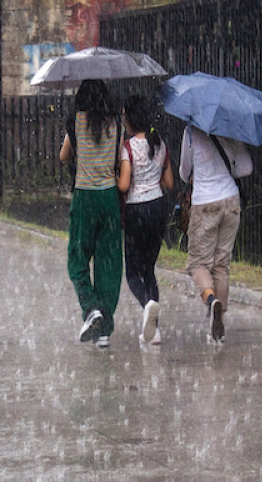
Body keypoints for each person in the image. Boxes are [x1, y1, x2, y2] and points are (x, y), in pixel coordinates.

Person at [59, 79, 123, 349]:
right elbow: (119, 160)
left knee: (78, 256)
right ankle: (104, 329)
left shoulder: (75, 122)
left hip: (85, 196)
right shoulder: (116, 122)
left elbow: (64, 156)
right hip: (109, 197)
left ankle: (91, 307)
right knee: (109, 263)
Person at [179, 126, 252, 343]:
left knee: (197, 264)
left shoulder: (191, 132)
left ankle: (211, 301)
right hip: (231, 200)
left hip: (205, 202)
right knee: (222, 263)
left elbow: (184, 171)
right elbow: (247, 168)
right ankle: (219, 320)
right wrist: (227, 168)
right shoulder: (231, 128)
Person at [117, 95, 175, 345]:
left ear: (129, 119)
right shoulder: (159, 144)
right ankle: (155, 331)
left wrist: (116, 176)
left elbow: (125, 184)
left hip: (136, 212)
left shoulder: (128, 148)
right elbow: (169, 182)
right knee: (149, 270)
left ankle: (147, 304)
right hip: (158, 208)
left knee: (132, 273)